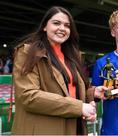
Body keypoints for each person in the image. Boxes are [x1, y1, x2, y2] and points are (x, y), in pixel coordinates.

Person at [11, 6, 107, 135]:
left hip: (74, 128)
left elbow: (71, 90)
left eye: (67, 26)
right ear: (44, 26)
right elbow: (29, 96)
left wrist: (93, 93)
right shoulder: (27, 52)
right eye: (56, 23)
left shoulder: (72, 56)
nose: (62, 28)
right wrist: (79, 108)